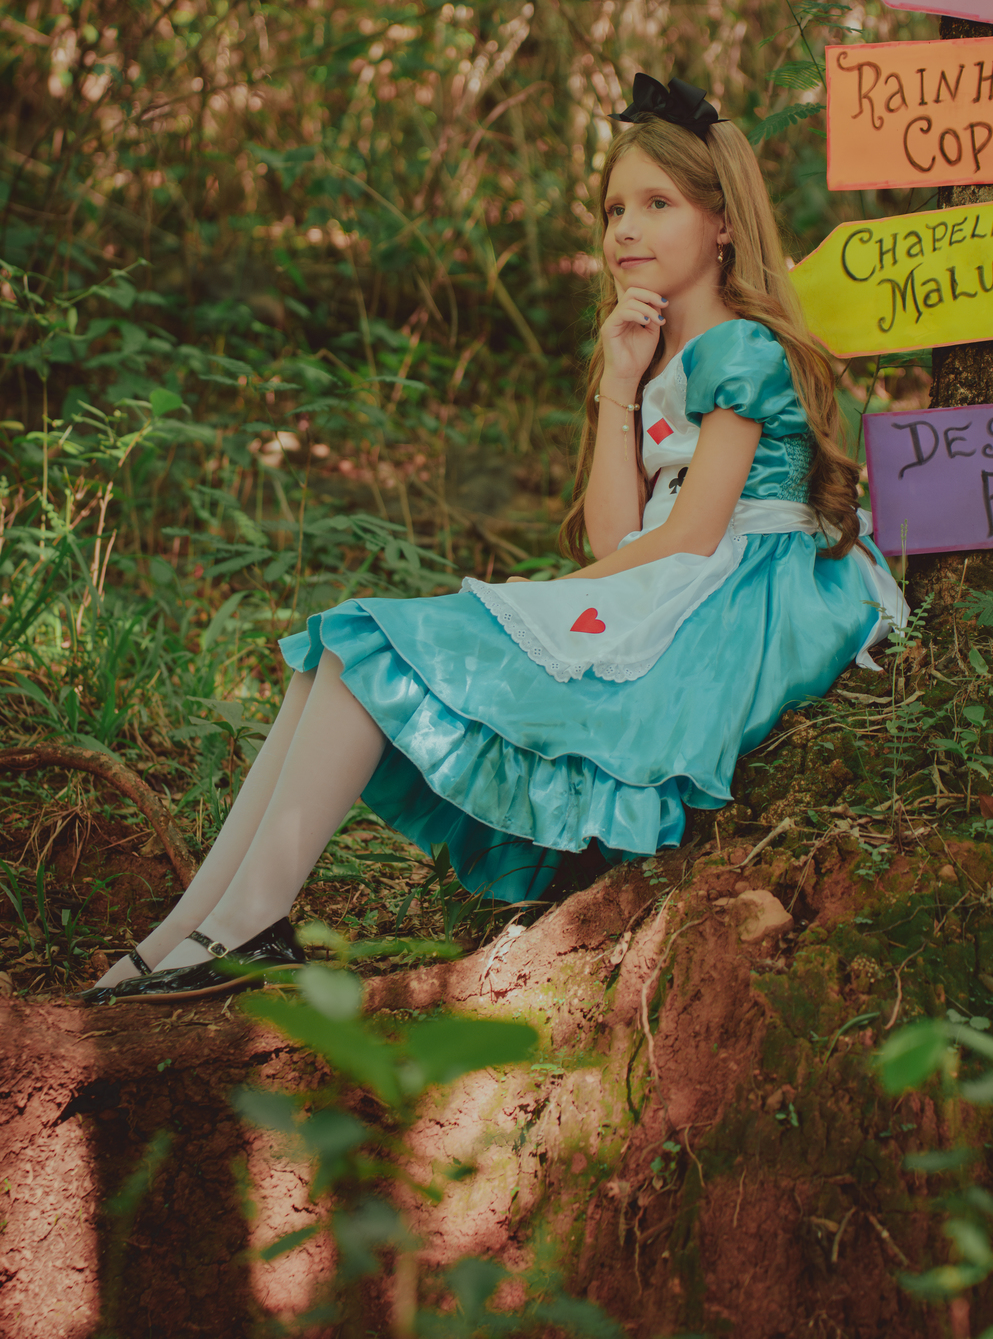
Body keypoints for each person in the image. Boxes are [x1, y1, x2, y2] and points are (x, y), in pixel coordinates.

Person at [84, 72, 906, 1006]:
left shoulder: (744, 348)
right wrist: (619, 380)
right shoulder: (659, 354)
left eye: (657, 204)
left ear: (722, 224)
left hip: (739, 597)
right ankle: (190, 931)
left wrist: (548, 598)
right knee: (336, 653)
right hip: (679, 575)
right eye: (613, 210)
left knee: (371, 645)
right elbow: (613, 535)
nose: (625, 230)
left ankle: (241, 926)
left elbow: (691, 534)